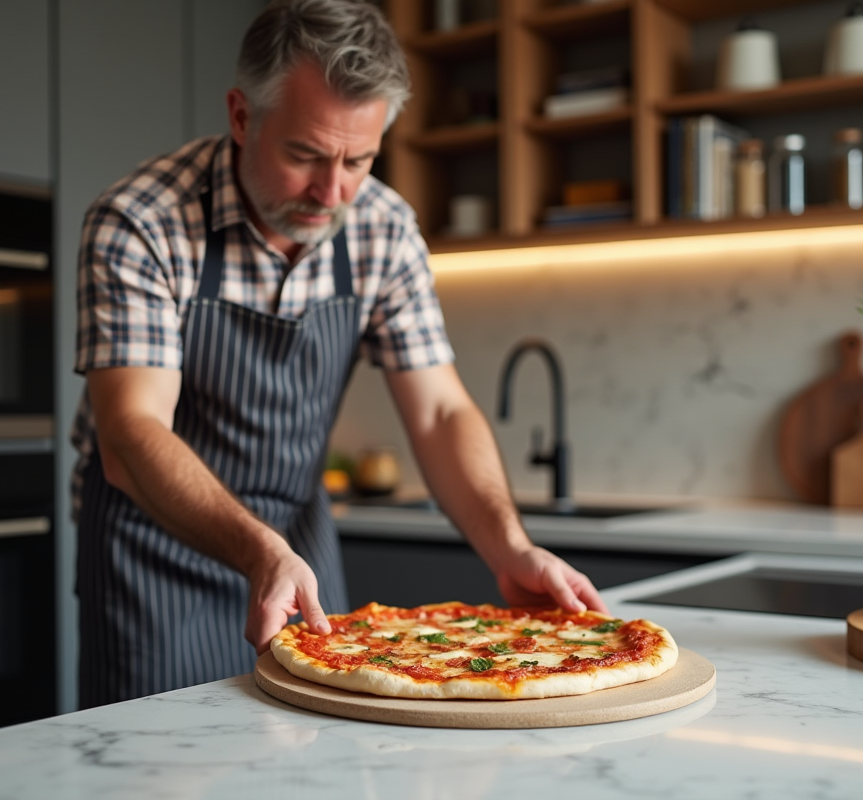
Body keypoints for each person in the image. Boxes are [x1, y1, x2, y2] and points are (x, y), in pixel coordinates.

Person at [71, 0, 606, 708]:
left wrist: (510, 547)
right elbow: (131, 433)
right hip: (153, 552)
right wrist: (259, 551)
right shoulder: (142, 222)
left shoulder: (383, 228)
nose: (333, 192)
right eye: (305, 155)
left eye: (358, 159)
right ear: (241, 116)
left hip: (299, 544)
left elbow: (442, 411)